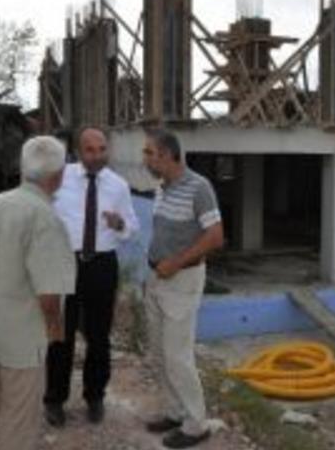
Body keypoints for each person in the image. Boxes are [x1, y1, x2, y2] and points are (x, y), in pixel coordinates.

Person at [0, 136, 75, 450]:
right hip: (21, 338)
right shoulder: (46, 219)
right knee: (20, 423)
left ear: (23, 168)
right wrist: (54, 327)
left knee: (2, 410)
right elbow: (49, 293)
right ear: (59, 175)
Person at [44, 127, 139, 425]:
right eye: (90, 150)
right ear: (77, 151)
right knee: (60, 335)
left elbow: (132, 227)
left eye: (102, 149)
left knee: (99, 336)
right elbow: (40, 214)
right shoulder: (59, 178)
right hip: (64, 262)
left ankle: (95, 396)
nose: (97, 156)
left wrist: (120, 222)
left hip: (101, 265)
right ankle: (55, 400)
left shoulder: (118, 185)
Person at [142, 130, 224, 449]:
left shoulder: (198, 187)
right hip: (156, 278)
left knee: (178, 355)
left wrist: (175, 263)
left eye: (149, 153)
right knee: (160, 352)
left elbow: (215, 236)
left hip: (182, 279)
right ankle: (176, 412)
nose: (145, 159)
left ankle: (195, 424)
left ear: (166, 155)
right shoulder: (163, 187)